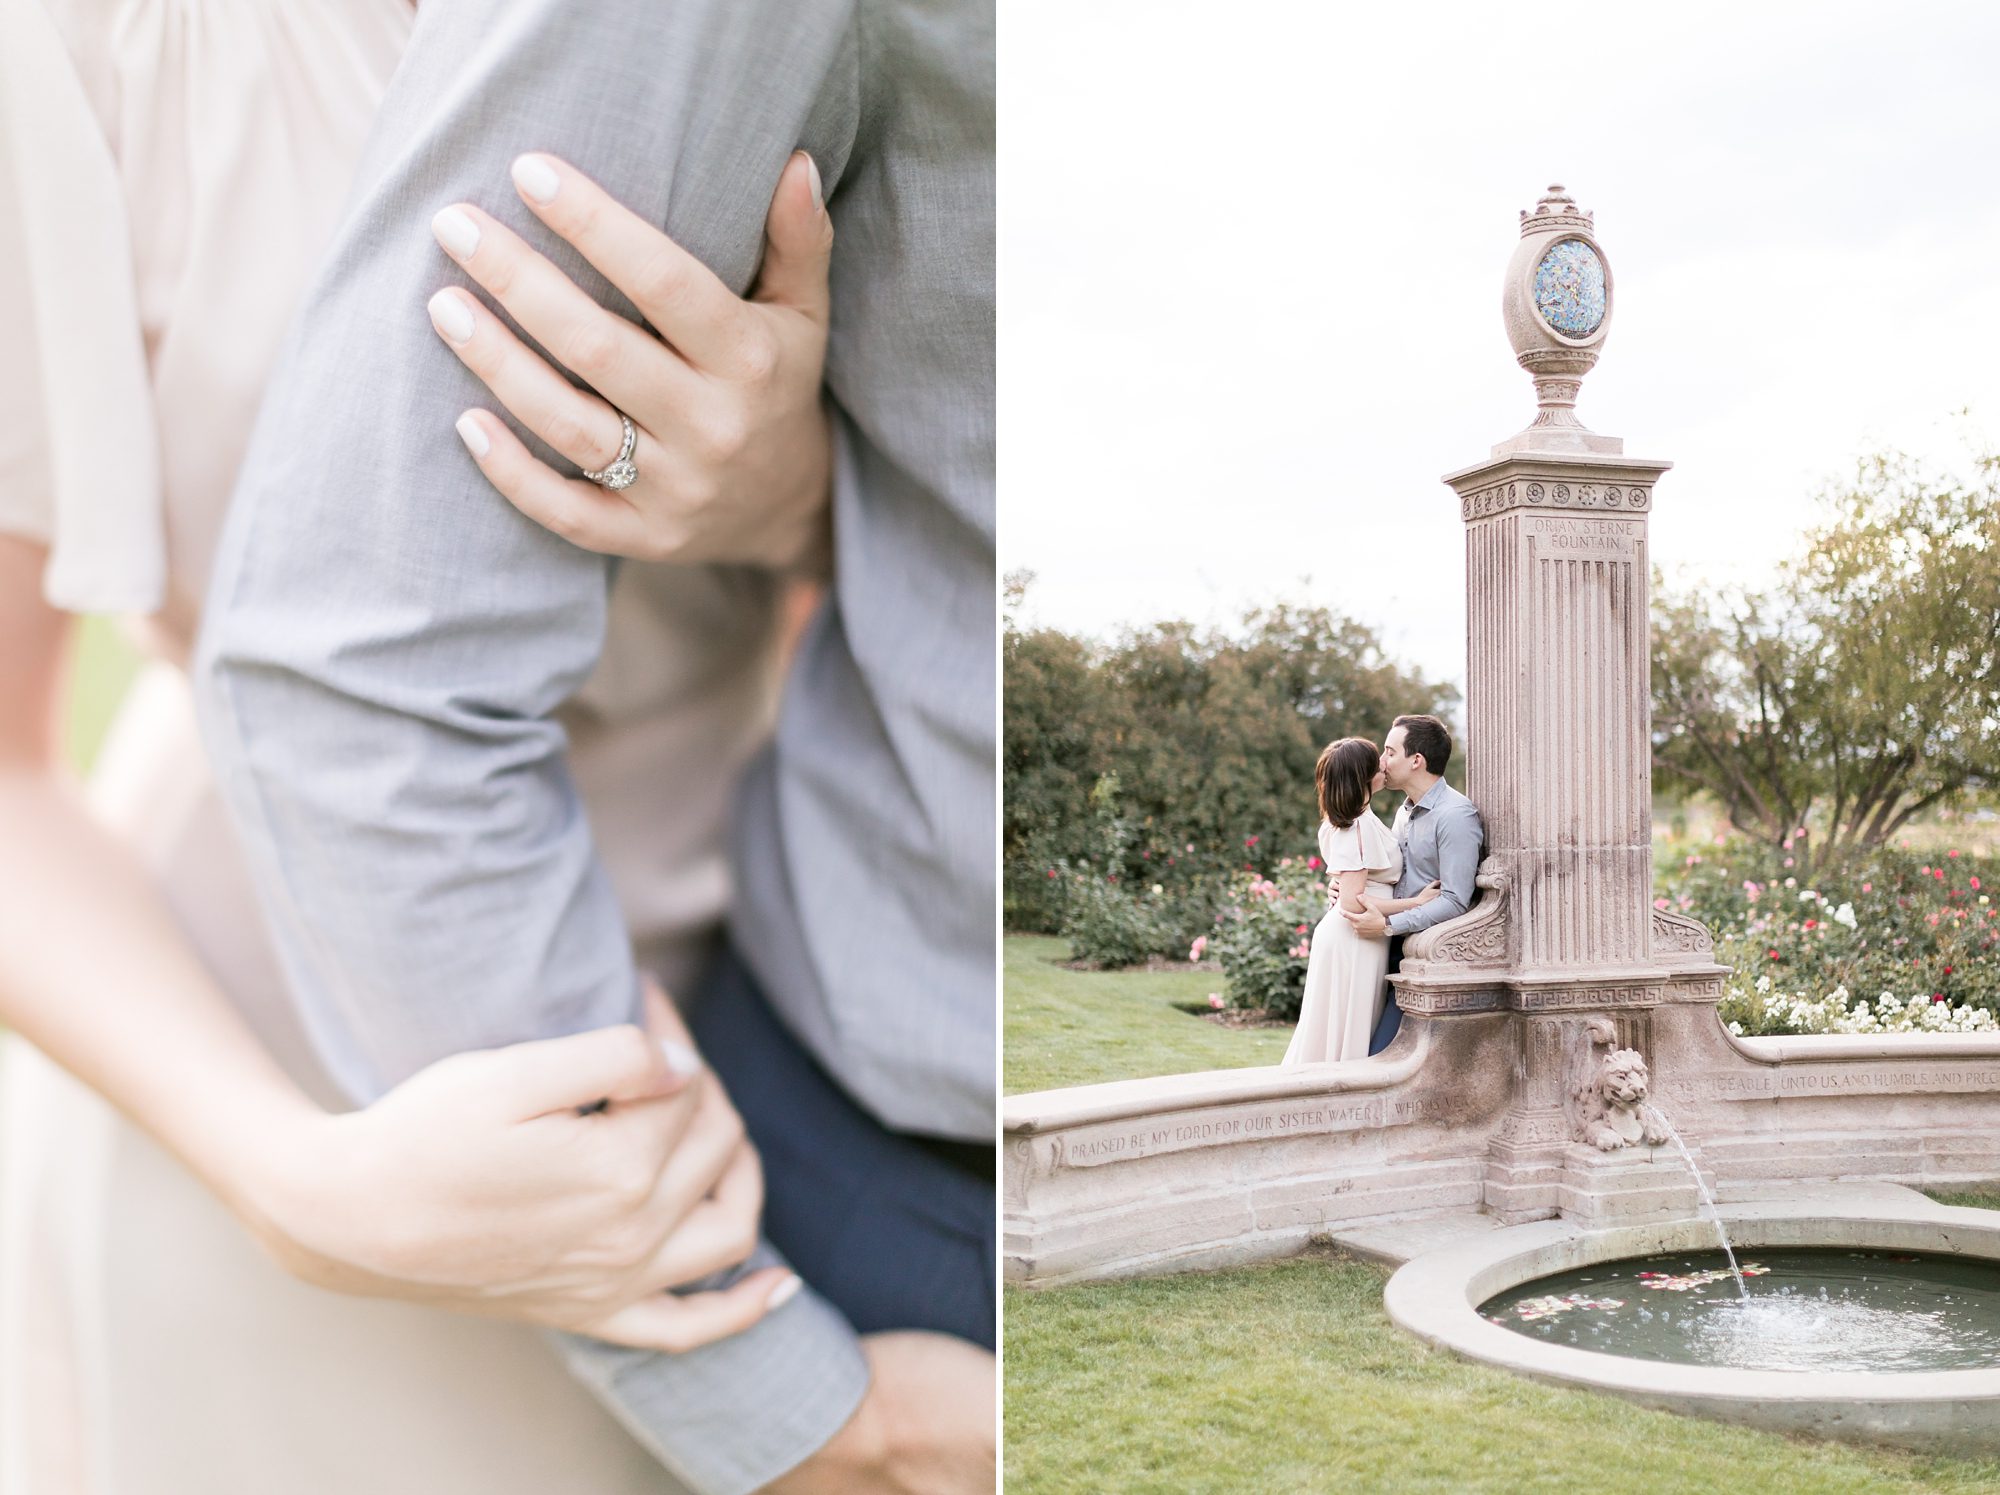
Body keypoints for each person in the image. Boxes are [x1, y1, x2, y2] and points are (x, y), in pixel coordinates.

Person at [0, 1, 860, 1491]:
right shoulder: (87, 44)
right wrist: (298, 1188)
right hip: (281, 1055)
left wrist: (790, 498)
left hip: (768, 1028)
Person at [195, 1, 997, 1492]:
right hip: (389, 1051)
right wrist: (278, 1176)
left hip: (663, 1013)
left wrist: (795, 489)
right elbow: (345, 664)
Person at [1337, 714, 1487, 1054]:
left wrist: (1389, 925)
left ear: (1416, 760)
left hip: (1419, 955)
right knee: (1348, 1045)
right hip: (1380, 947)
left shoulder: (1455, 816)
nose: (1381, 761)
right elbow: (1387, 875)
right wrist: (1347, 890)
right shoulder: (1405, 811)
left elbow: (1454, 900)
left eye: (1390, 752)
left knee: (1377, 1056)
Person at [1283, 738, 1438, 1065]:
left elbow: (1350, 885)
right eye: (1376, 761)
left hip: (1350, 937)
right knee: (1345, 1029)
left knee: (1338, 1028)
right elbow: (1353, 904)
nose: (1383, 763)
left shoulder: (1355, 820)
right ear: (1363, 776)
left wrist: (1339, 887)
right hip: (1353, 939)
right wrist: (1417, 903)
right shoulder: (1356, 826)